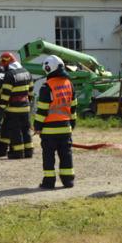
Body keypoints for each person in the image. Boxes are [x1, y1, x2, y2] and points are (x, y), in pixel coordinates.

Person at [33, 55, 78, 189]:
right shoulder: (69, 84)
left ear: (48, 69)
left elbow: (42, 110)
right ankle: (68, 180)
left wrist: (37, 126)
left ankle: (49, 181)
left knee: (48, 157)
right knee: (66, 155)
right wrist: (72, 123)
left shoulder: (46, 87)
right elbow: (73, 107)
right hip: (65, 128)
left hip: (49, 131)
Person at [0, 52, 34, 159]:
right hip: (25, 107)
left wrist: (1, 108)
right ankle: (28, 151)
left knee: (15, 130)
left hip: (13, 109)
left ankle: (18, 152)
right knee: (25, 130)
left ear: (7, 62)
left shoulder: (10, 75)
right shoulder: (27, 72)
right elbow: (31, 92)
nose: (2, 65)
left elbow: (5, 94)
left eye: (3, 63)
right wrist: (26, 103)